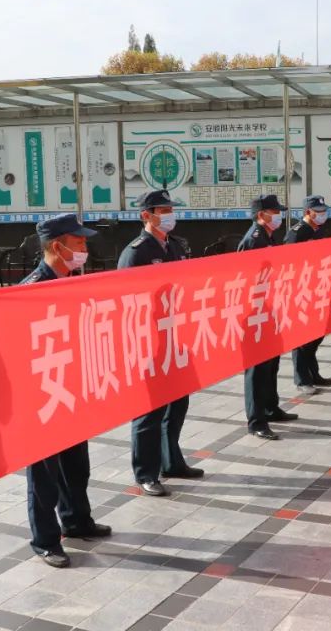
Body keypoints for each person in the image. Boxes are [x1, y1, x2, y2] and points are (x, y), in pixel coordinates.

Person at [21, 213, 112, 567]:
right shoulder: (31, 289)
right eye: (79, 242)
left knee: (76, 465)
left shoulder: (73, 281)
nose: (85, 248)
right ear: (58, 247)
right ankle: (45, 541)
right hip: (44, 395)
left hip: (72, 390)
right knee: (44, 476)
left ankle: (76, 520)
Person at [118, 190, 203, 498]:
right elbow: (127, 302)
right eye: (163, 210)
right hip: (150, 343)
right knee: (150, 411)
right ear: (146, 215)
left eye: (170, 209)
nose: (169, 215)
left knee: (178, 403)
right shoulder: (136, 253)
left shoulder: (177, 246)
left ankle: (172, 462)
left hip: (176, 338)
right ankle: (146, 473)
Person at [238, 195, 298, 440]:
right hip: (255, 314)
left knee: (271, 364)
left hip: (270, 310)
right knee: (257, 369)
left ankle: (271, 408)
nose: (278, 216)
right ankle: (256, 421)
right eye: (274, 212)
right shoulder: (254, 240)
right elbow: (247, 280)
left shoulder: (267, 236)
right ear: (261, 215)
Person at [285, 195, 331, 394]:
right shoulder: (296, 233)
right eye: (319, 211)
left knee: (316, 336)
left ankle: (314, 374)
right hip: (301, 292)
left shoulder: (319, 230)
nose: (323, 214)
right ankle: (302, 379)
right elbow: (288, 264)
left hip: (318, 289)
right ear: (308, 212)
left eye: (324, 211)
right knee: (302, 338)